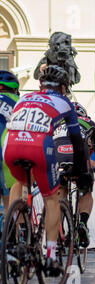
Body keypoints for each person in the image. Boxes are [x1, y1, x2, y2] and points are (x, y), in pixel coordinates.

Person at [4, 65, 85, 275]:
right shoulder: (65, 102)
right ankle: (50, 257)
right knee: (51, 198)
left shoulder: (23, 98)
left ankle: (17, 238)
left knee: (20, 184)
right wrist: (80, 168)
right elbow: (76, 140)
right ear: (64, 87)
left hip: (11, 146)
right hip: (38, 147)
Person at [53, 101, 95, 247]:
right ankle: (82, 223)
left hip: (58, 157)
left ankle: (58, 229)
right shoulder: (89, 122)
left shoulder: (57, 122)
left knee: (60, 191)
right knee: (86, 191)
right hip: (79, 158)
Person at [0, 70, 20, 211]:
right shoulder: (19, 103)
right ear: (15, 90)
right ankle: (12, 227)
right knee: (11, 203)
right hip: (6, 154)